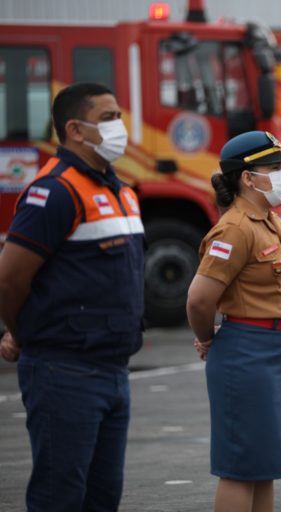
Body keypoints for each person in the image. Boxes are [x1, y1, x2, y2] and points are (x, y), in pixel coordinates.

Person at [0, 82, 144, 512]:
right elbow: (9, 279)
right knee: (59, 496)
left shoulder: (123, 191)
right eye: (107, 118)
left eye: (119, 116)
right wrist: (21, 332)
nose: (119, 127)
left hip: (115, 369)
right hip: (65, 370)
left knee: (102, 498)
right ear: (75, 130)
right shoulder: (55, 191)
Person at [186, 130, 281, 512]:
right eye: (273, 167)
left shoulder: (267, 220)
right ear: (247, 177)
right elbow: (200, 299)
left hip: (274, 350)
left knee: (264, 463)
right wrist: (206, 338)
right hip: (246, 354)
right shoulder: (235, 227)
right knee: (240, 466)